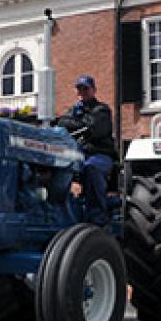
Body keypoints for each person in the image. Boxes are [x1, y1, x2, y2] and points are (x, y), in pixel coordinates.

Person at [55, 75, 117, 226]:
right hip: (77, 156)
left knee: (91, 168)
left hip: (99, 155)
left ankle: (97, 216)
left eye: (85, 88)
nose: (82, 92)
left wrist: (75, 124)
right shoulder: (74, 110)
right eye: (79, 89)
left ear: (93, 90)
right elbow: (61, 122)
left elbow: (93, 128)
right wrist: (77, 124)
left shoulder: (102, 110)